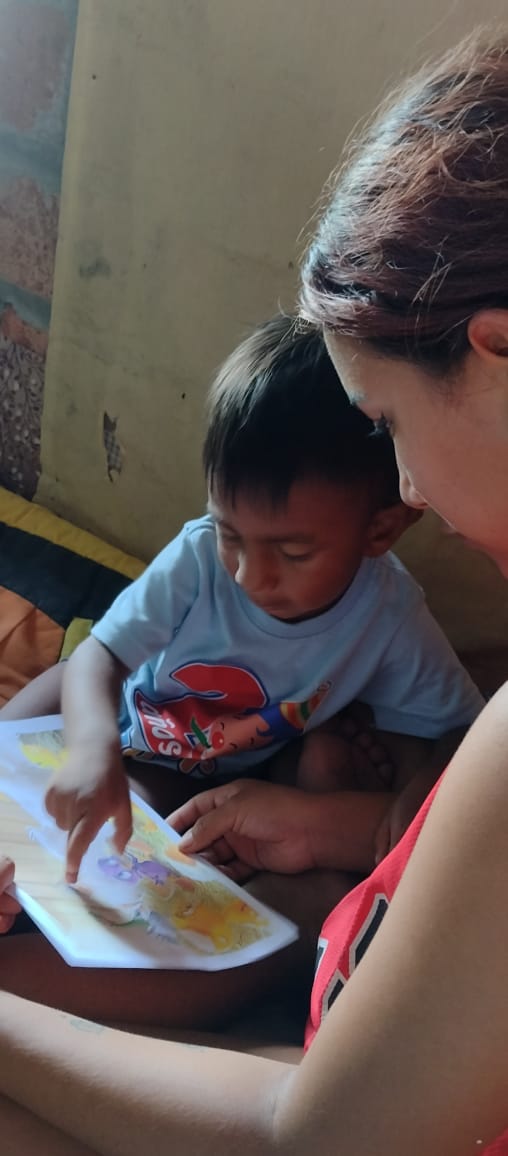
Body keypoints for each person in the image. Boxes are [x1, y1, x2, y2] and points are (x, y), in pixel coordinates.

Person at [2, 27, 508, 1156]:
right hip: (156, 778)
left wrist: (338, 813)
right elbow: (99, 665)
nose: (411, 487)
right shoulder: (201, 565)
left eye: (388, 426)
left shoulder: (397, 626)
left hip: (247, 902)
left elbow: (318, 1129)